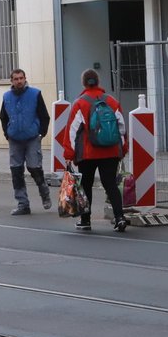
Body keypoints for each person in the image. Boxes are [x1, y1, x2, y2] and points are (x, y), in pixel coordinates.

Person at [60, 69, 129, 232]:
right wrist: (123, 149)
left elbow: (72, 131)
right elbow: (122, 128)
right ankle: (119, 218)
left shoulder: (80, 103)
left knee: (86, 185)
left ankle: (85, 220)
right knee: (110, 184)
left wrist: (69, 154)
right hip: (110, 151)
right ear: (98, 81)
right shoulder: (111, 101)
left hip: (88, 153)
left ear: (84, 83)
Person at [0, 68, 52, 215]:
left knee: (34, 167)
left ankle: (44, 193)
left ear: (25, 78)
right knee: (16, 171)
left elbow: (44, 116)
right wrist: (7, 134)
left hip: (32, 137)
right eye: (16, 79)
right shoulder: (6, 96)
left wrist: (41, 133)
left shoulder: (35, 94)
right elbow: (3, 117)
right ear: (12, 81)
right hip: (14, 139)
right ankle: (23, 204)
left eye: (21, 78)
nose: (19, 81)